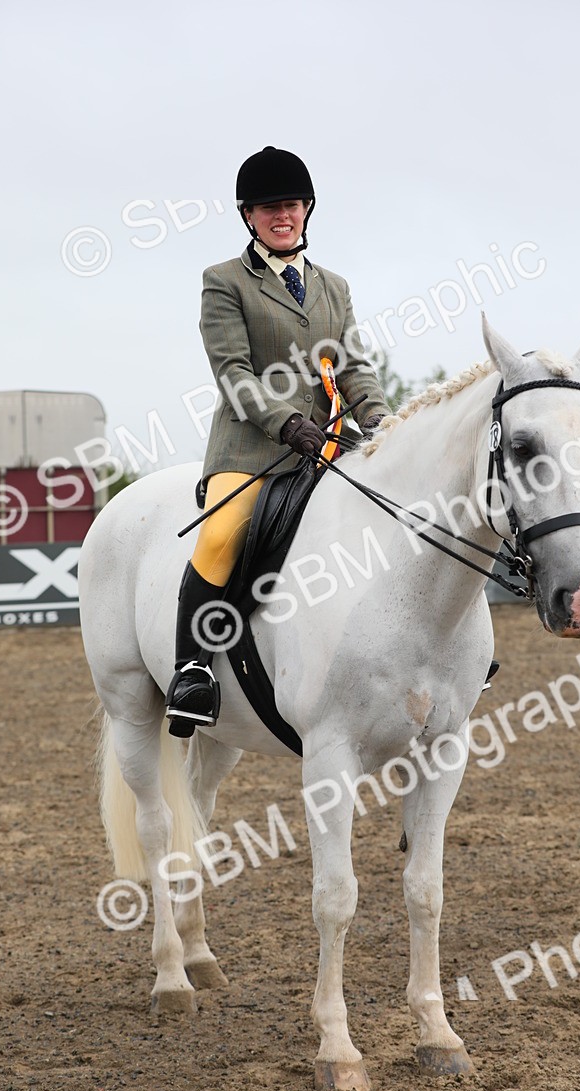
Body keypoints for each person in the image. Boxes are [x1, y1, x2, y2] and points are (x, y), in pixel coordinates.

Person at [165, 146, 390, 736]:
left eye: (290, 205)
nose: (281, 216)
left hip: (328, 444)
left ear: (307, 208)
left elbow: (354, 366)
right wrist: (286, 422)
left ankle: (434, 651)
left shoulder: (334, 287)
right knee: (221, 533)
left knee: (399, 508)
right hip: (253, 447)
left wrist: (383, 424)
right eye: (268, 208)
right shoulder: (224, 281)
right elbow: (233, 372)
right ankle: (192, 669)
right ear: (249, 215)